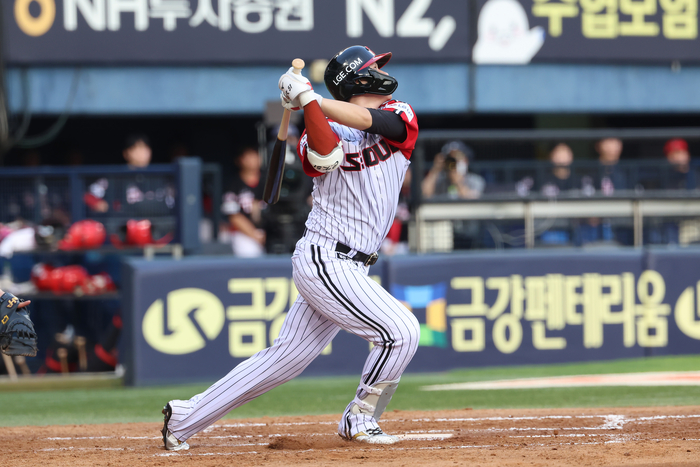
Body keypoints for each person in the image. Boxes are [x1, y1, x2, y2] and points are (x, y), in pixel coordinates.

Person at [160, 45, 420, 450]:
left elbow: (374, 121)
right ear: (358, 77)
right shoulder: (313, 131)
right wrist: (308, 104)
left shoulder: (400, 112)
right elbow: (325, 155)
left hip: (353, 265)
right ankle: (360, 417)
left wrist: (309, 98)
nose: (383, 72)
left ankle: (185, 417)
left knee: (286, 358)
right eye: (375, 67)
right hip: (326, 257)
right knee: (401, 331)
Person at [221, 146, 266, 257]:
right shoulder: (233, 185)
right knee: (250, 252)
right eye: (248, 156)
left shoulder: (269, 182)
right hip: (244, 233)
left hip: (271, 231)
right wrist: (256, 236)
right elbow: (234, 216)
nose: (252, 160)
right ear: (239, 160)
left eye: (255, 156)